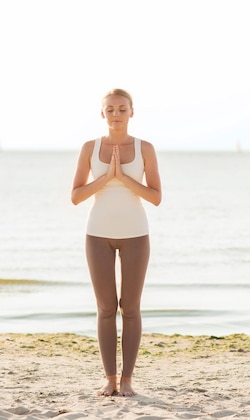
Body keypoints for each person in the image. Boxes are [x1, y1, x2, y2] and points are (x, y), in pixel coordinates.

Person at [71, 88, 162, 397]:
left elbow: (156, 197)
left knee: (131, 308)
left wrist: (123, 177)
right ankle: (109, 379)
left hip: (136, 233)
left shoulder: (144, 148)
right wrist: (107, 177)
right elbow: (76, 196)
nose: (116, 114)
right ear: (102, 114)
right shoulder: (89, 148)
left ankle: (127, 381)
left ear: (131, 112)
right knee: (106, 308)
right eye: (110, 110)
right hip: (98, 234)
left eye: (122, 109)